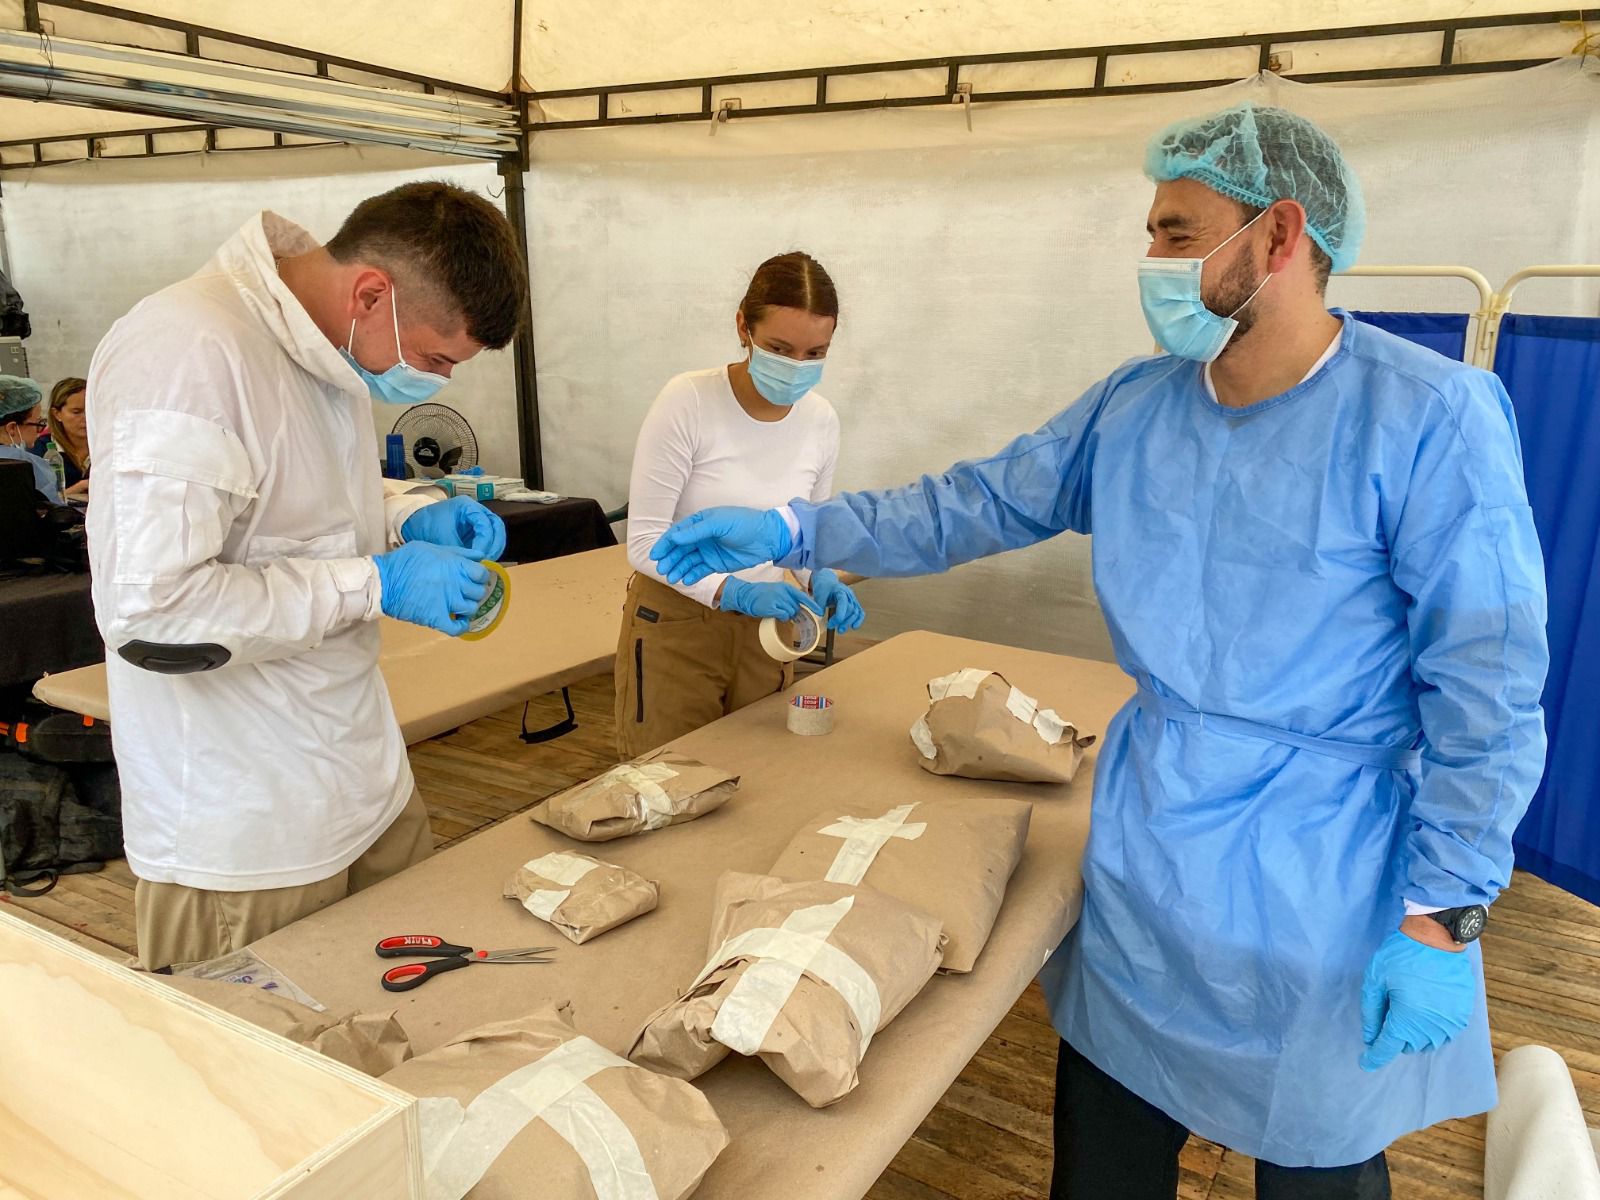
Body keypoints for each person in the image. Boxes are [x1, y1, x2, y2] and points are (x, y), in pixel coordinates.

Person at [649, 104, 1548, 1198]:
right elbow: (972, 503)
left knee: (1315, 1164)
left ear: (1278, 236)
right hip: (1153, 852)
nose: (1152, 260)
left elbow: (1486, 684)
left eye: (1176, 233)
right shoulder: (1136, 406)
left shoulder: (1430, 417)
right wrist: (801, 529)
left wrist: (1443, 911)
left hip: (1324, 878)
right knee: (1105, 1164)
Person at [86, 182, 523, 971]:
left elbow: (296, 504)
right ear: (370, 292)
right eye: (435, 360)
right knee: (268, 1076)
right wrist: (375, 584)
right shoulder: (188, 354)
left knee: (408, 1024)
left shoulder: (327, 342)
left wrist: (409, 513)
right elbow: (154, 615)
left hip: (364, 781)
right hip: (250, 834)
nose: (438, 385)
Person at [615, 252, 865, 759]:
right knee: (669, 776)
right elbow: (643, 544)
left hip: (771, 629)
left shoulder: (820, 420)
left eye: (816, 353)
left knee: (758, 776)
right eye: (780, 348)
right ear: (742, 327)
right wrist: (732, 592)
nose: (797, 367)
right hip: (679, 626)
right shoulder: (689, 401)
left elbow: (809, 531)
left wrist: (821, 576)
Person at [0, 374, 63, 505]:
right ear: (12, 428)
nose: (41, 430)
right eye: (38, 423)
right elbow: (56, 511)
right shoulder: (28, 465)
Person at [36, 376, 90, 498]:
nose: (86, 418)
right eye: (76, 412)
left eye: (91, 410)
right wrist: (79, 488)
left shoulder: (109, 447)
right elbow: (37, 501)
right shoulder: (40, 450)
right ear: (57, 414)